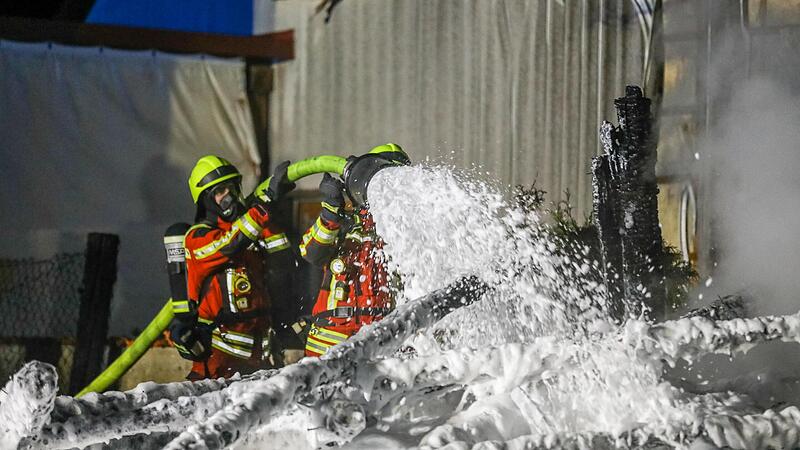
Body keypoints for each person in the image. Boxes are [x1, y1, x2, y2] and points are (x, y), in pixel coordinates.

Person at [170, 155, 296, 379]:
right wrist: (263, 206)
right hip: (219, 361)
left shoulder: (250, 229)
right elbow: (229, 244)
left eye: (232, 187)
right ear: (206, 199)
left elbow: (283, 260)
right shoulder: (197, 238)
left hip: (261, 359)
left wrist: (272, 211)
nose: (229, 195)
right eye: (220, 191)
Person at [299, 144, 409, 356]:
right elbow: (311, 252)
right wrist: (330, 212)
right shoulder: (345, 221)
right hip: (329, 337)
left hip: (380, 336)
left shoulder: (406, 229)